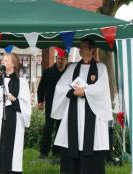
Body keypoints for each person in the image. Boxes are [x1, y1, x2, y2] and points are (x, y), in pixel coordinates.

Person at [51, 38, 113, 174]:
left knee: (91, 142)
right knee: (72, 141)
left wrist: (85, 92)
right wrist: (72, 91)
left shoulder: (100, 68)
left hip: (92, 112)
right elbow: (60, 86)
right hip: (74, 110)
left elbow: (102, 88)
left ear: (92, 50)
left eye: (84, 47)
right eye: (80, 47)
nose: (80, 50)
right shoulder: (72, 67)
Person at [37, 47, 68, 160]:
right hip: (50, 105)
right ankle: (43, 152)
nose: (60, 61)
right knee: (48, 128)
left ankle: (57, 152)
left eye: (63, 59)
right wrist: (40, 101)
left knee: (60, 129)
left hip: (63, 105)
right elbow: (41, 88)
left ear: (66, 60)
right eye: (59, 59)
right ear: (56, 58)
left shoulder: (68, 73)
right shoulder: (48, 72)